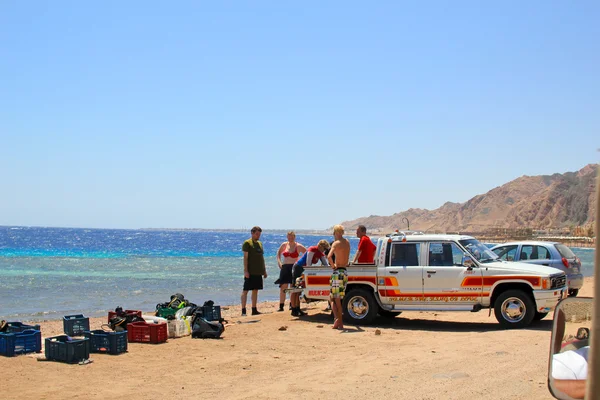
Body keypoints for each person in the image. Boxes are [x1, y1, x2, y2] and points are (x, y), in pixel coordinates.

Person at [290, 239, 330, 317]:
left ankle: (298, 308)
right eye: (324, 249)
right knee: (295, 288)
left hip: (304, 269)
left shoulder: (320, 253)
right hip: (299, 267)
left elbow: (325, 264)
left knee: (300, 289)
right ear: (321, 246)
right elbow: (308, 263)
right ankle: (293, 308)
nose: (324, 251)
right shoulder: (312, 249)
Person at [275, 231, 306, 312]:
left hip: (294, 267)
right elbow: (278, 253)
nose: (290, 238)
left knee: (293, 287)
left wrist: (301, 262)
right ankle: (281, 306)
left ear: (294, 237)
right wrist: (279, 262)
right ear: (287, 237)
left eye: (292, 237)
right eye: (289, 237)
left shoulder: (298, 246)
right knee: (283, 287)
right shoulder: (284, 245)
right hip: (285, 267)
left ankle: (291, 305)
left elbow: (307, 253)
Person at [328, 225, 351, 330]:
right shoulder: (347, 243)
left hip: (337, 271)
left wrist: (333, 266)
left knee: (336, 299)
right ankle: (337, 319)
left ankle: (340, 321)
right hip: (344, 271)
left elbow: (328, 256)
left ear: (336, 233)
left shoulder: (336, 244)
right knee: (334, 297)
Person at [241, 226, 267, 316]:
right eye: (256, 234)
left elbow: (261, 258)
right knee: (245, 290)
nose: (258, 235)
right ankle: (243, 310)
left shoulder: (260, 243)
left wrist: (264, 270)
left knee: (255, 290)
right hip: (250, 272)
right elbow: (245, 257)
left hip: (258, 271)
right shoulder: (247, 243)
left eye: (259, 234)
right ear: (252, 233)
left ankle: (254, 309)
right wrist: (246, 271)